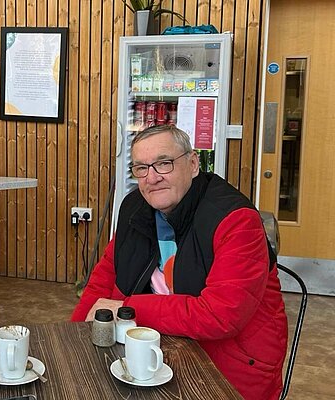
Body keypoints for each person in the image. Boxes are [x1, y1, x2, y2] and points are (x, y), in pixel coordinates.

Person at [72, 125, 288, 400]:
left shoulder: (236, 219)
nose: (152, 178)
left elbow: (221, 316)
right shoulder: (135, 207)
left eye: (164, 164)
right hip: (160, 346)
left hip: (229, 362)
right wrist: (75, 337)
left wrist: (128, 307)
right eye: (141, 168)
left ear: (193, 163)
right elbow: (104, 277)